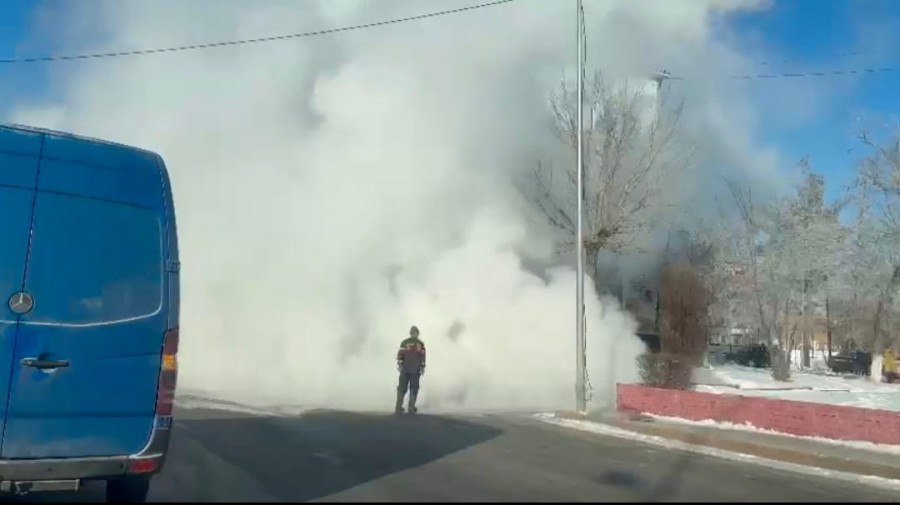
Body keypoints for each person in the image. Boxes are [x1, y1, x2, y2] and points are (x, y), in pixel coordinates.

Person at [395, 325, 426, 414]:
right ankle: (411, 407)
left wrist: (400, 364)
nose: (416, 335)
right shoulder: (421, 344)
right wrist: (422, 367)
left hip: (406, 369)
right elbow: (422, 357)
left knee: (402, 388)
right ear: (416, 333)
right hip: (414, 370)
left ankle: (398, 406)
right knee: (413, 388)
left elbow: (400, 355)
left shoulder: (404, 343)